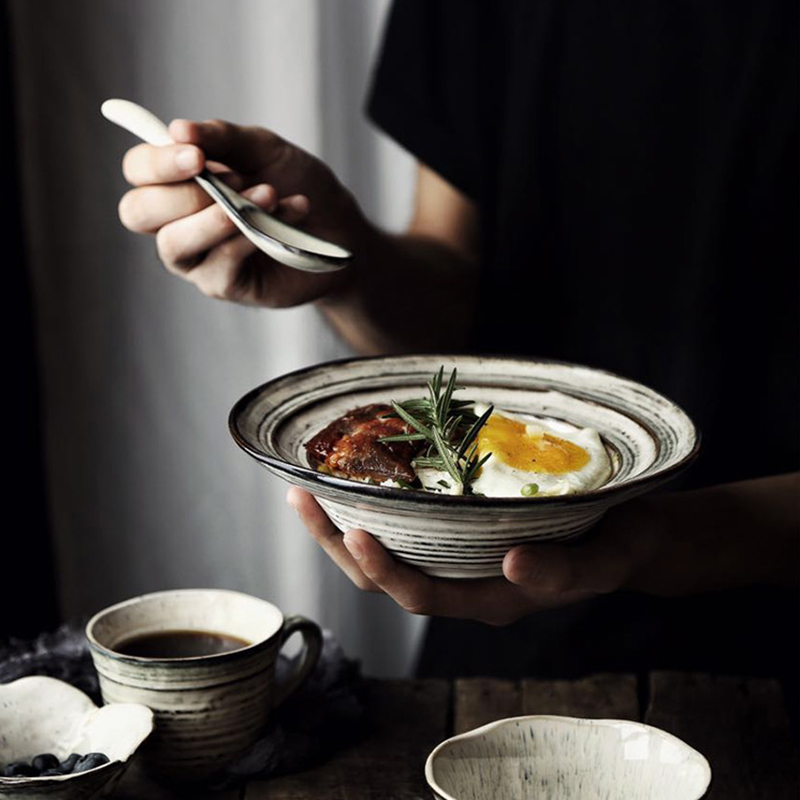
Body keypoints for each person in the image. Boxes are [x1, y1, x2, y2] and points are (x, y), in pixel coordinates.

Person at [116, 1, 798, 700]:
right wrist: (342, 265)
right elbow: (450, 309)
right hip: (490, 650)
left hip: (773, 665)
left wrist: (655, 541)